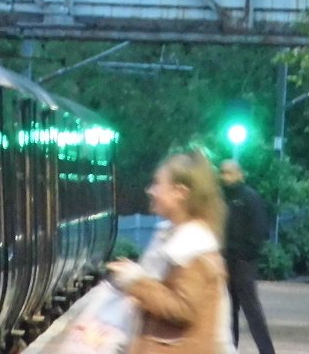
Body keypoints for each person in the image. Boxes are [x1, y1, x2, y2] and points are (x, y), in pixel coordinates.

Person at [107, 148, 236, 354]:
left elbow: (183, 307)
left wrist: (135, 281)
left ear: (180, 193)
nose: (151, 191)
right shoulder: (173, 236)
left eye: (158, 184)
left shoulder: (194, 247)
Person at [219, 159, 276, 354]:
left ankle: (266, 351)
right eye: (223, 172)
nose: (225, 177)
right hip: (228, 261)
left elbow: (259, 230)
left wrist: (245, 253)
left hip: (242, 262)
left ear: (239, 174)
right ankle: (231, 349)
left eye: (228, 172)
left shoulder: (249, 198)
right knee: (229, 311)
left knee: (250, 310)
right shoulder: (225, 199)